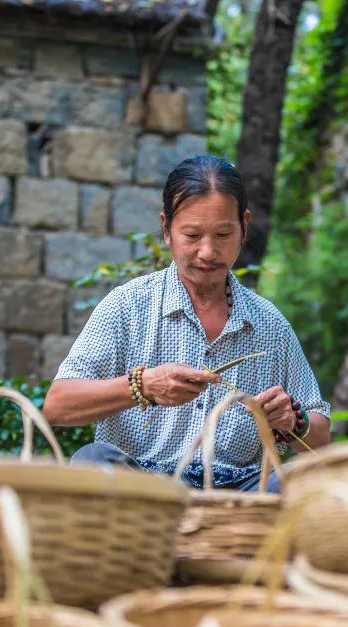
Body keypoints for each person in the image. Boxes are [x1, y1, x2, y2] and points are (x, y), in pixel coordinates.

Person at [43, 155, 331, 491]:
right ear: (166, 229)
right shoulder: (128, 306)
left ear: (244, 228)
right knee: (92, 461)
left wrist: (293, 420)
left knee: (298, 485)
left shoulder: (270, 325)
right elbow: (57, 405)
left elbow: (322, 441)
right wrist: (143, 386)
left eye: (223, 234)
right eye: (192, 235)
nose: (208, 252)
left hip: (236, 493)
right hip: (143, 490)